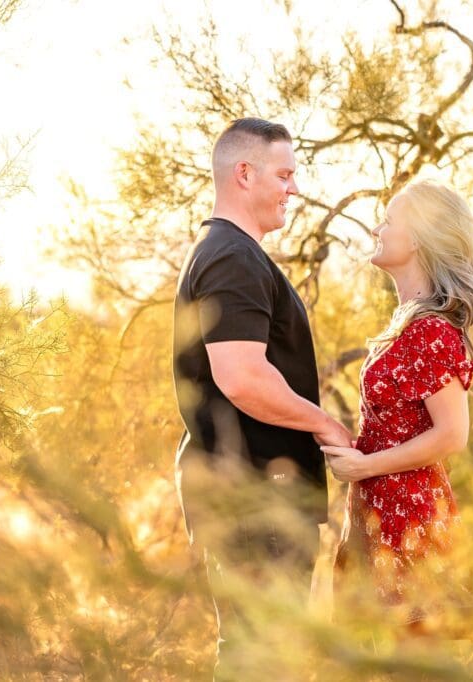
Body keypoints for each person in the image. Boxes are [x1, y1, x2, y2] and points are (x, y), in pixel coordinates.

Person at [171, 117, 352, 681]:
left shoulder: (231, 253)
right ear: (244, 174)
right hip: (254, 496)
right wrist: (327, 426)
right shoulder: (232, 257)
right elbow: (243, 377)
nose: (293, 189)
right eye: (285, 174)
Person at [321, 180, 473, 638]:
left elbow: (452, 434)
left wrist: (365, 465)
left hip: (410, 532)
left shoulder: (430, 331)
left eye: (389, 220)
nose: (378, 227)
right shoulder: (408, 325)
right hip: (376, 522)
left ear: (415, 238)